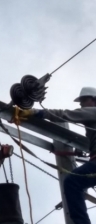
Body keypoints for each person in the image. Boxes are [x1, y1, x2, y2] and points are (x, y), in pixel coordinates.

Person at [18, 87, 96, 224]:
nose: (81, 105)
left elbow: (64, 114)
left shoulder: (93, 111)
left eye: (84, 101)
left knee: (73, 183)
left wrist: (37, 112)